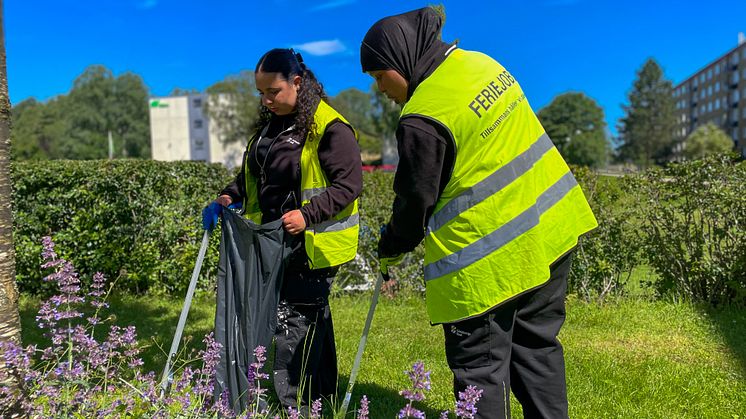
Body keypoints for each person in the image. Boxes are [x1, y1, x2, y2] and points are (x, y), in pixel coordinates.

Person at [360, 7, 597, 419]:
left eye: (380, 75)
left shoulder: (423, 115)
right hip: (549, 231)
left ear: (402, 59)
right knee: (537, 350)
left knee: (480, 373)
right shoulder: (483, 64)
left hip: (485, 265)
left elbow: (415, 202)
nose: (380, 87)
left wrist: (391, 247)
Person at [202, 48, 363, 412]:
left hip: (313, 242)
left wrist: (308, 215)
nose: (266, 100)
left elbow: (348, 185)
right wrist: (230, 195)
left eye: (272, 91)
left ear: (297, 82)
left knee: (294, 323)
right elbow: (257, 176)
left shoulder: (330, 128)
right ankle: (322, 396)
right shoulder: (272, 127)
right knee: (312, 318)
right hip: (272, 239)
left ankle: (296, 405)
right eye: (261, 92)